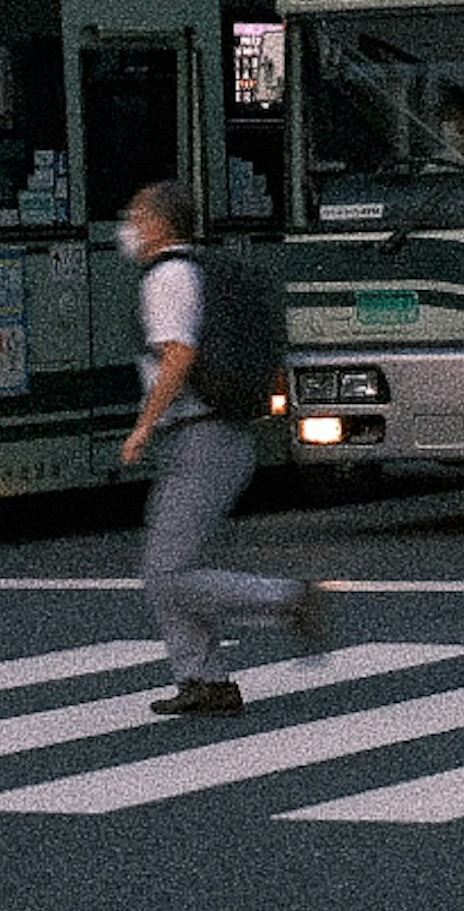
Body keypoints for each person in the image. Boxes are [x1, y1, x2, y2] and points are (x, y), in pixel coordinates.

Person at [117, 180, 322, 716]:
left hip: (202, 436)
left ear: (161, 224)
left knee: (167, 572)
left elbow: (178, 357)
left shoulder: (166, 277)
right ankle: (206, 681)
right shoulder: (195, 270)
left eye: (137, 217)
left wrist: (143, 425)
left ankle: (286, 600)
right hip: (211, 434)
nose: (130, 228)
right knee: (166, 569)